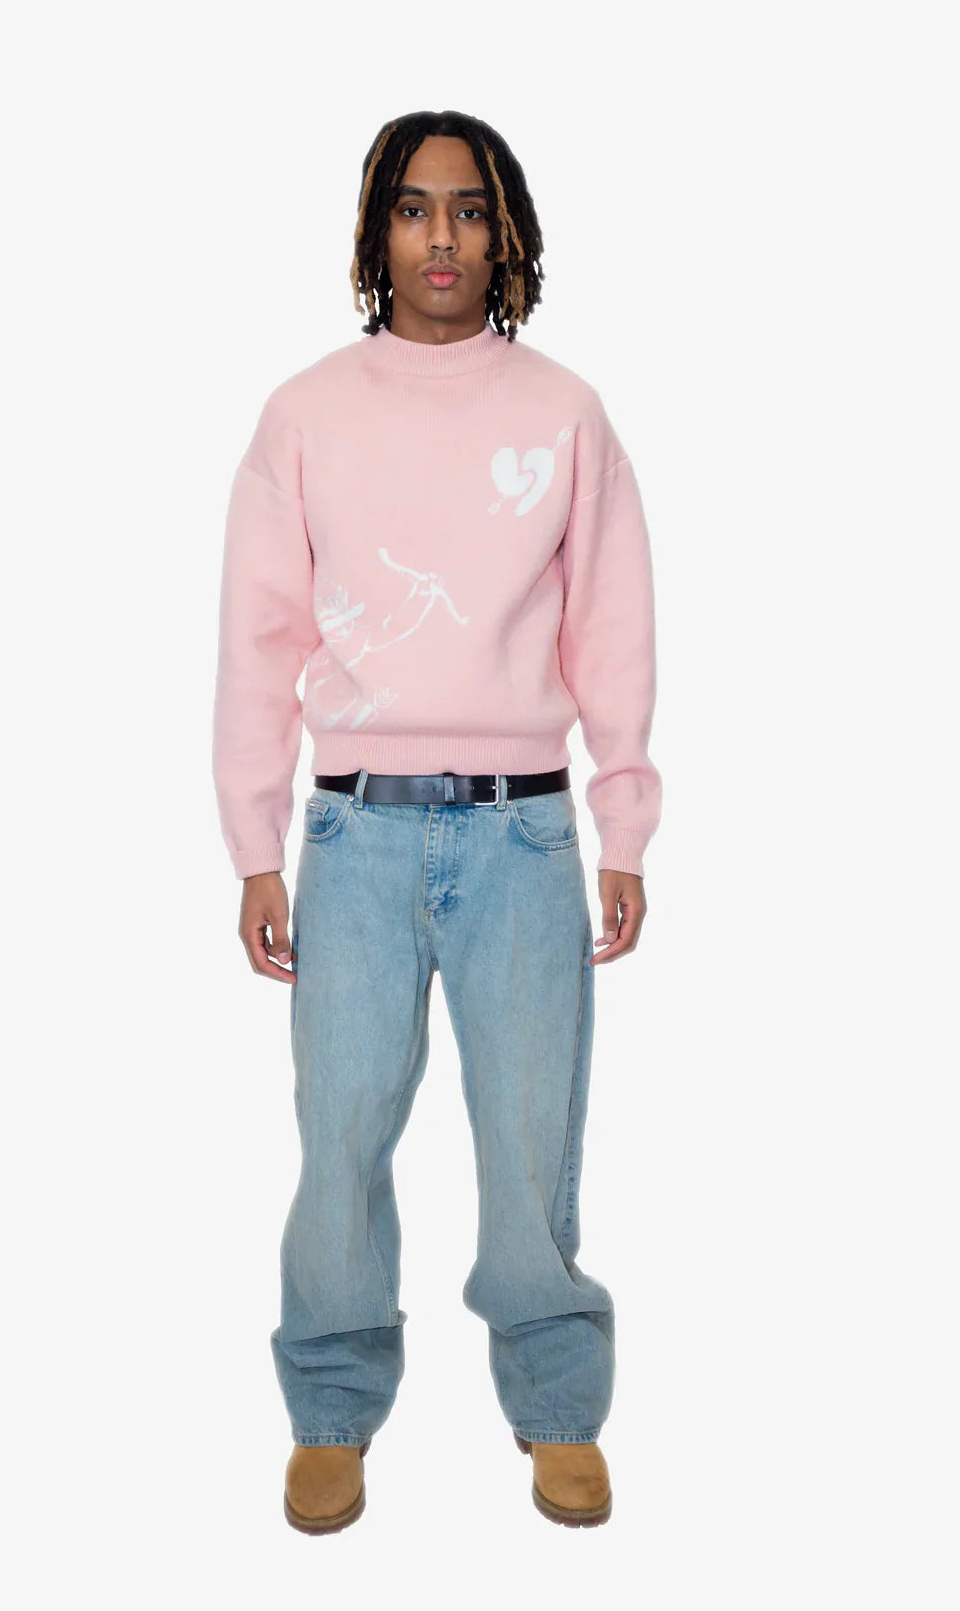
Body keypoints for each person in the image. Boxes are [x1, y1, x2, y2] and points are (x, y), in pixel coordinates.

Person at [211, 109, 663, 1533]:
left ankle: (557, 1402)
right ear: (376, 232)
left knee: (531, 1138)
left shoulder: (565, 413)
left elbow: (611, 628)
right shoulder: (305, 414)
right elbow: (260, 638)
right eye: (413, 208)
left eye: (471, 209)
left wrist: (625, 820)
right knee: (341, 1133)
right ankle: (332, 1403)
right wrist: (255, 844)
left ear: (507, 231)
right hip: (356, 838)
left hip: (526, 837)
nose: (443, 236)